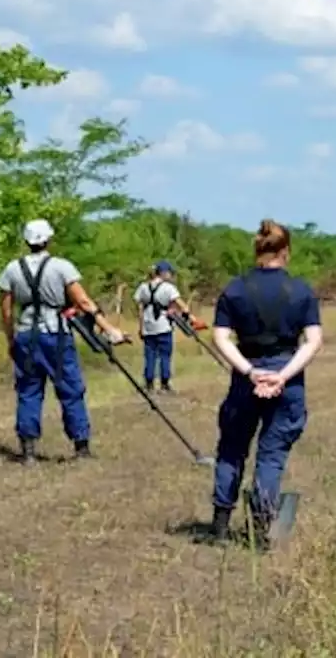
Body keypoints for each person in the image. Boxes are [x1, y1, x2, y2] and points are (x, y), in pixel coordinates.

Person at [204, 219, 323, 548]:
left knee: (231, 450)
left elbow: (220, 337)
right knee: (271, 455)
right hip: (287, 375)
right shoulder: (301, 290)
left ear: (257, 250)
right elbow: (313, 341)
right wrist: (282, 375)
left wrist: (249, 371)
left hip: (246, 377)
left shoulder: (235, 289)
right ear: (286, 252)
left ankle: (220, 525)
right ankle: (261, 527)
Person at [0, 219, 128, 465]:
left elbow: (5, 310)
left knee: (28, 391)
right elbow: (84, 303)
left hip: (26, 334)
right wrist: (110, 330)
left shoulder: (12, 269)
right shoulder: (61, 267)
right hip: (56, 334)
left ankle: (28, 451)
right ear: (48, 239)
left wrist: (11, 338)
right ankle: (81, 446)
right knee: (70, 389)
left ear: (27, 241)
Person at [133, 260, 192, 393]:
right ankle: (165, 384)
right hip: (164, 326)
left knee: (150, 355)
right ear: (164, 273)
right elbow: (183, 306)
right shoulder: (168, 288)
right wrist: (186, 316)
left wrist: (141, 327)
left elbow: (140, 309)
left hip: (148, 327)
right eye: (170, 273)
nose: (171, 275)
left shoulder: (143, 287)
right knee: (165, 355)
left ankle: (149, 383)